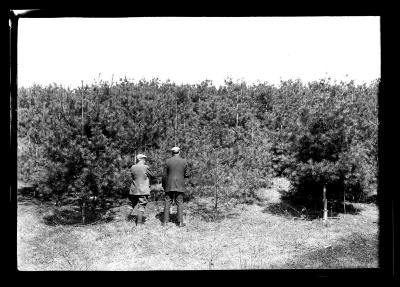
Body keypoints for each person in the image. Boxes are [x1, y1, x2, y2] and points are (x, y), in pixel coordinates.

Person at [162, 146, 190, 227]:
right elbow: (187, 174)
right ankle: (180, 222)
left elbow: (164, 175)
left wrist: (164, 185)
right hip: (180, 185)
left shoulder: (167, 161)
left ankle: (165, 222)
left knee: (167, 202)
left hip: (169, 185)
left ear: (172, 152)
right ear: (179, 152)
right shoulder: (184, 161)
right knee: (180, 203)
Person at [129, 153, 154, 226]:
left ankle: (126, 219)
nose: (145, 160)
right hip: (143, 190)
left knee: (131, 204)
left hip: (133, 190)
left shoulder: (132, 167)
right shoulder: (146, 167)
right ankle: (139, 224)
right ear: (142, 159)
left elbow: (132, 177)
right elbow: (152, 175)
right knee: (141, 205)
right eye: (144, 159)